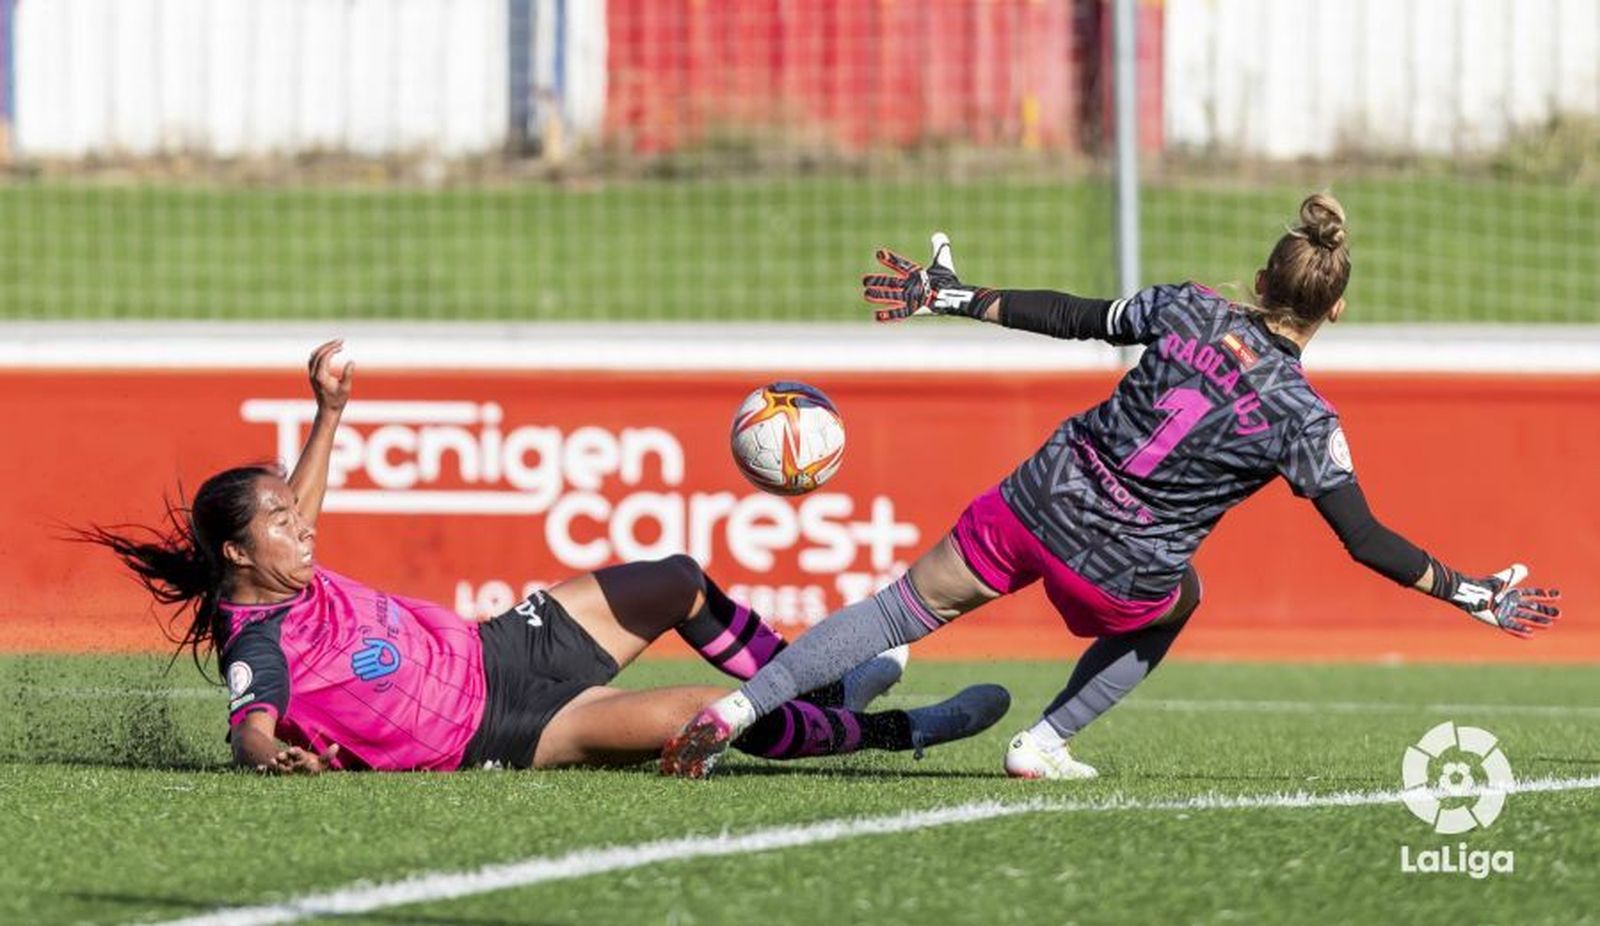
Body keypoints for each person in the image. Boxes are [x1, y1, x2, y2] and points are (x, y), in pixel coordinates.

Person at [663, 193, 1561, 780]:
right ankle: (1044, 741)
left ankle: (739, 705)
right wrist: (1469, 593)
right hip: (1124, 568)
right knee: (1184, 596)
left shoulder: (1189, 306)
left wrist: (954, 297)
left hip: (1036, 499)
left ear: (1257, 282)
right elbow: (1365, 541)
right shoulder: (1307, 420)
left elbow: (1075, 318)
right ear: (1337, 312)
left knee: (901, 608)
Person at [80, 340, 1009, 774]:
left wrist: (329, 410)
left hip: (498, 650)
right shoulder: (259, 639)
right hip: (504, 732)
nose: (305, 526)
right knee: (712, 715)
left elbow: (306, 499)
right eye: (283, 520)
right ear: (241, 551)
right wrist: (264, 756)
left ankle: (827, 689)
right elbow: (251, 717)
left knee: (677, 579)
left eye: (294, 509)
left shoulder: (282, 559)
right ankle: (898, 733)